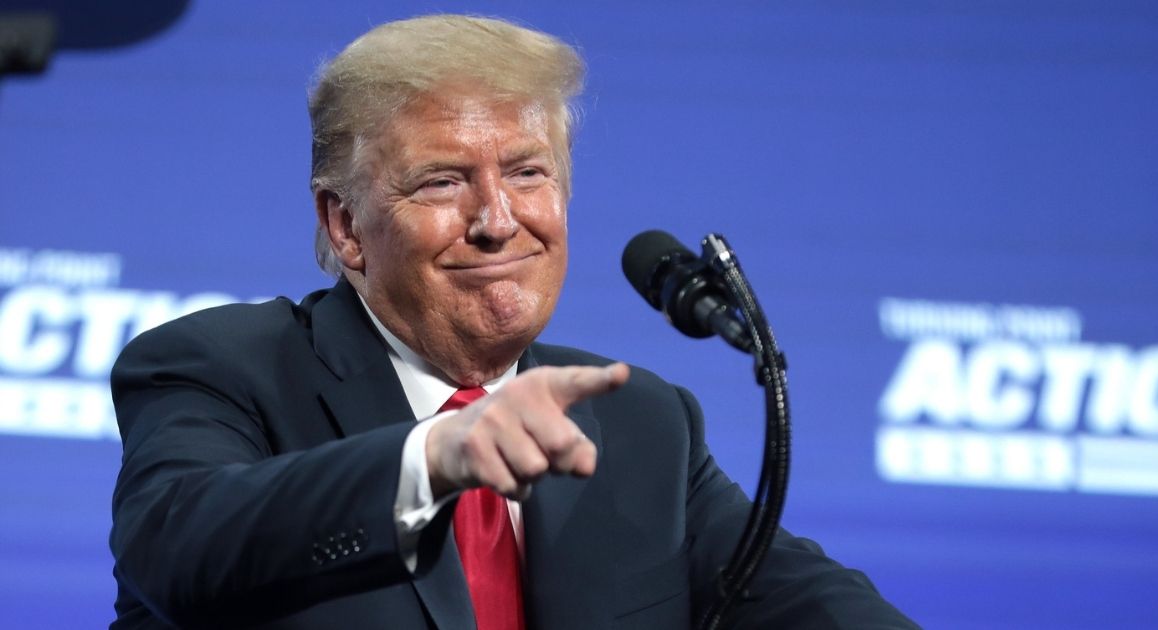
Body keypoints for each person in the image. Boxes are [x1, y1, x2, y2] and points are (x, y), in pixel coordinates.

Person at [109, 15, 918, 629]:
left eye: (528, 173)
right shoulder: (218, 367)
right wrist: (434, 456)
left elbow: (812, 604)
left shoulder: (640, 424)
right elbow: (178, 550)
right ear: (346, 225)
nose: (499, 219)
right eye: (441, 182)